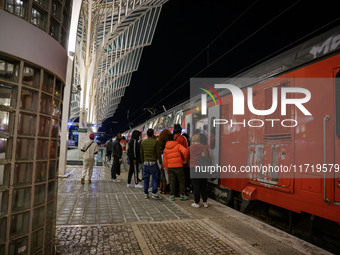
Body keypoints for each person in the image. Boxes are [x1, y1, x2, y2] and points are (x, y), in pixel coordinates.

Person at [186, 133, 210, 208]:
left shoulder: (190, 148)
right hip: (202, 168)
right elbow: (208, 158)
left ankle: (196, 202)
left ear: (193, 140)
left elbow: (187, 157)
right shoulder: (204, 147)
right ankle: (205, 202)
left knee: (196, 186)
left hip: (193, 168)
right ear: (199, 140)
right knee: (203, 185)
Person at [163, 133, 188, 201]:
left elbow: (165, 160)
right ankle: (182, 195)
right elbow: (186, 151)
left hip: (170, 167)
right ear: (174, 139)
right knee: (181, 181)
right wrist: (185, 160)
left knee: (172, 181)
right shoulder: (178, 146)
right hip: (179, 166)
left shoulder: (165, 149)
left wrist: (167, 168)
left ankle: (172, 195)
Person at [140, 129, 162, 199]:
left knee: (146, 179)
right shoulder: (155, 142)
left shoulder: (143, 142)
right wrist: (161, 163)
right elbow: (158, 153)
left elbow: (141, 153)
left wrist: (142, 162)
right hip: (153, 163)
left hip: (146, 163)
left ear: (147, 134)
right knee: (155, 178)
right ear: (153, 134)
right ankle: (154, 193)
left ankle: (146, 193)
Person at [158, 129, 171, 194]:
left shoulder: (159, 143)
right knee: (167, 174)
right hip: (167, 159)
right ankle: (165, 188)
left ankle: (161, 189)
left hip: (160, 159)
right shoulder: (169, 143)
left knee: (162, 174)